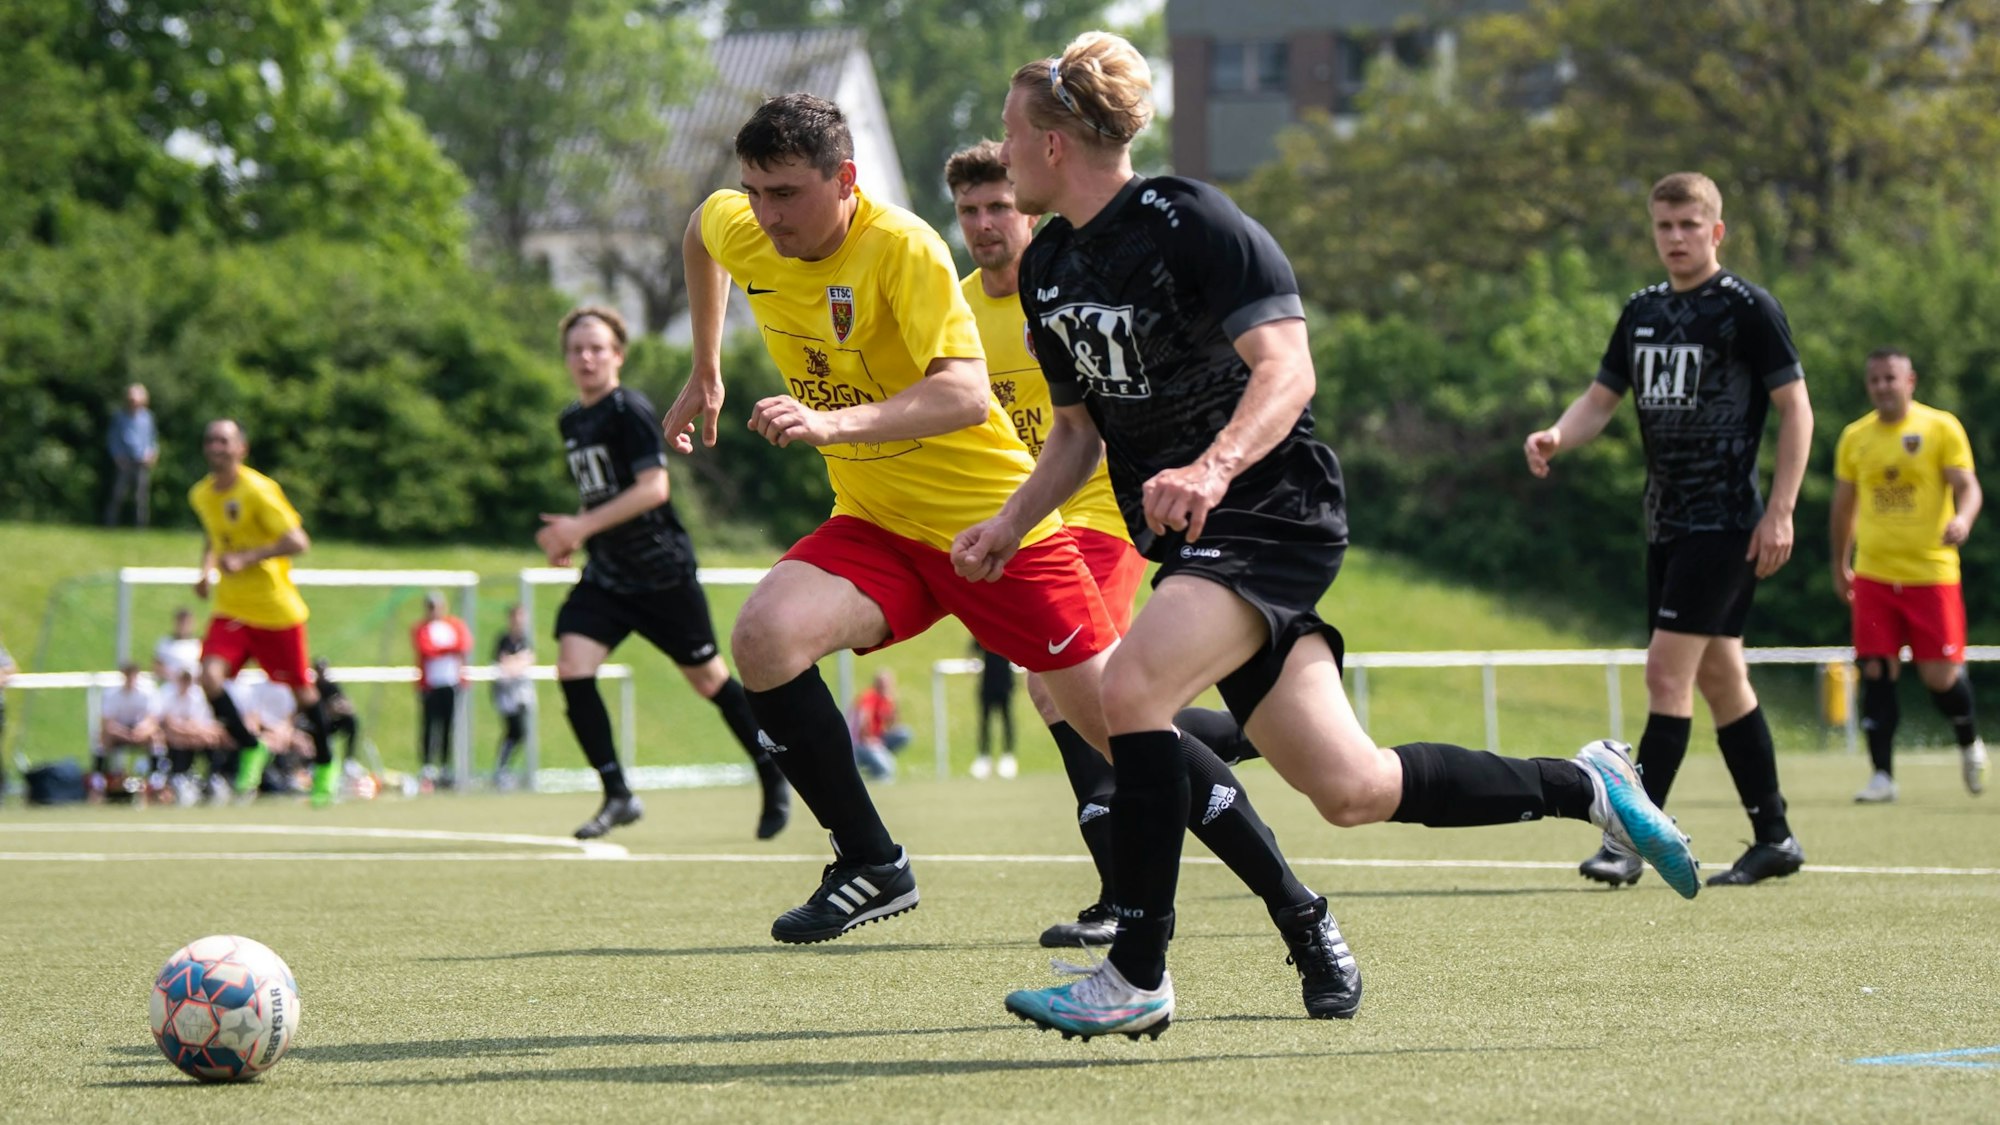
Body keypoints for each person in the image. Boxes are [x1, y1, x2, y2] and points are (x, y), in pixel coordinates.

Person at [960, 33, 1697, 1040]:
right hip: (1199, 540)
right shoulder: (1046, 266)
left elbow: (1286, 370)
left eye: (1007, 136)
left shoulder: (1188, 220)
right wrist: (1008, 522)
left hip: (1272, 511)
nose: (997, 157)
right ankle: (1587, 784)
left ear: (1051, 143)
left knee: (1130, 691)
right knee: (1351, 788)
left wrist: (1213, 466)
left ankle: (1135, 969)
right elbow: (1081, 434)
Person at [666, 96, 1355, 1018]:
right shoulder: (743, 226)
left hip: (994, 530)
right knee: (764, 635)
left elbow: (958, 396)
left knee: (1130, 735)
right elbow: (700, 236)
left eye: (786, 193)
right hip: (878, 522)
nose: (766, 214)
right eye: (753, 191)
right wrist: (705, 366)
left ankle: (1300, 913)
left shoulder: (903, 248)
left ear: (846, 181)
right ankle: (872, 860)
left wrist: (832, 422)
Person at [946, 137, 1310, 955]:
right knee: (1102, 700)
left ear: (1027, 201)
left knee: (1069, 694)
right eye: (969, 211)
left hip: (1100, 515)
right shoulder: (960, 307)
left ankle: (1123, 894)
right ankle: (1252, 730)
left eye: (998, 205)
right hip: (1030, 518)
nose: (984, 224)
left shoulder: (1082, 277)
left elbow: (1096, 425)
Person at [1526, 171, 1813, 889]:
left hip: (1725, 523)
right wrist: (1558, 435)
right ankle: (1774, 834)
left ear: (1716, 231)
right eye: (1665, 226)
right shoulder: (1642, 310)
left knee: (1665, 672)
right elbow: (1600, 398)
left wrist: (1780, 510)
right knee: (1721, 677)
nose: (1677, 238)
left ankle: (1630, 840)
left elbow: (1797, 410)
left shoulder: (1747, 308)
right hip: (1665, 523)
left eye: (1690, 225)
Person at [539, 305, 791, 841]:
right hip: (608, 574)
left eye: (597, 348)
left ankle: (772, 770)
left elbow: (654, 489)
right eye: (576, 349)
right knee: (572, 664)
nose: (586, 357)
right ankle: (617, 793)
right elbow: (602, 493)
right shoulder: (572, 419)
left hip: (661, 573)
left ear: (618, 356)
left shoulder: (628, 409)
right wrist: (574, 536)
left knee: (708, 679)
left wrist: (578, 527)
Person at [1831, 348, 1986, 802]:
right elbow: (1844, 508)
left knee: (1939, 676)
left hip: (1931, 574)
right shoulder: (1854, 437)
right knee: (1876, 669)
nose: (1882, 386)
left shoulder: (1940, 427)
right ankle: (1883, 775)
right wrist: (1840, 563)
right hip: (1875, 575)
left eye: (1890, 378)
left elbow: (1967, 486)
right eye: (1874, 379)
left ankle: (1969, 742)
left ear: (1910, 381)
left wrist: (1964, 519)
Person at [187, 418, 340, 807]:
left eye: (224, 440)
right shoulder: (201, 494)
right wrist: (206, 571)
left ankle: (325, 764)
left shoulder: (258, 489)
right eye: (210, 440)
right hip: (232, 608)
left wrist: (249, 557)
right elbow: (213, 534)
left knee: (303, 692)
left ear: (242, 449)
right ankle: (249, 745)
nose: (216, 447)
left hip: (274, 609)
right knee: (208, 677)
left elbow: (297, 541)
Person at [411, 591, 473, 788]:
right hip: (431, 685)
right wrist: (448, 649)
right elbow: (427, 649)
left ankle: (446, 765)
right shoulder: (422, 628)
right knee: (429, 725)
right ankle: (428, 765)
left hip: (451, 683)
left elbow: (464, 643)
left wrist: (446, 648)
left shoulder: (453, 625)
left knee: (448, 726)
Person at [157, 667, 230, 804]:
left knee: (210, 738)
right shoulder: (167, 693)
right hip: (172, 735)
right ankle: (180, 777)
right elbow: (168, 723)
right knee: (177, 739)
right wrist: (189, 731)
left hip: (192, 735)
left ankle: (213, 777)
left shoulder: (196, 695)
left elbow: (198, 722)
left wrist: (193, 732)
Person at [95, 662, 161, 797]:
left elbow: (152, 720)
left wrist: (140, 731)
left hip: (139, 731)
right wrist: (124, 733)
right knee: (104, 737)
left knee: (156, 736)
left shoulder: (147, 692)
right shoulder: (112, 694)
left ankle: (156, 778)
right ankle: (99, 776)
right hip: (120, 731)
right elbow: (107, 722)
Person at [491, 604, 535, 787]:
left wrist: (515, 663)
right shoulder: (503, 640)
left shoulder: (525, 640)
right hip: (506, 695)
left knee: (521, 732)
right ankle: (501, 769)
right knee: (514, 730)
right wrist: (516, 663)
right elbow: (504, 663)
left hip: (521, 695)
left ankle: (504, 769)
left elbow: (528, 660)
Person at [106, 382, 158, 528]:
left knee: (141, 498)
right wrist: (117, 456)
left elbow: (152, 438)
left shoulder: (148, 417)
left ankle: (140, 528)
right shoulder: (119, 416)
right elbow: (113, 438)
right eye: (131, 399)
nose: (133, 402)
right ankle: (110, 525)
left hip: (142, 461)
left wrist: (152, 453)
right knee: (117, 495)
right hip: (124, 461)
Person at [848, 669, 911, 781]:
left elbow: (892, 724)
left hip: (876, 738)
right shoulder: (869, 697)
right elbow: (863, 720)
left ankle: (881, 757)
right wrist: (868, 739)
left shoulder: (886, 699)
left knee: (904, 733)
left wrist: (893, 704)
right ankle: (875, 767)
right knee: (886, 771)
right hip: (860, 742)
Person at [971, 642, 1018, 779]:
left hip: (1005, 682)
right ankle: (984, 756)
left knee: (1007, 719)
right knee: (984, 721)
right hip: (987, 682)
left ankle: (1008, 756)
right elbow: (973, 649)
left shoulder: (1007, 633)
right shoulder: (983, 632)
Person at [153, 607, 203, 682]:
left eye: (187, 623)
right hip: (170, 685)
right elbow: (156, 666)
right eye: (181, 622)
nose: (184, 626)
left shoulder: (198, 644)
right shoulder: (165, 642)